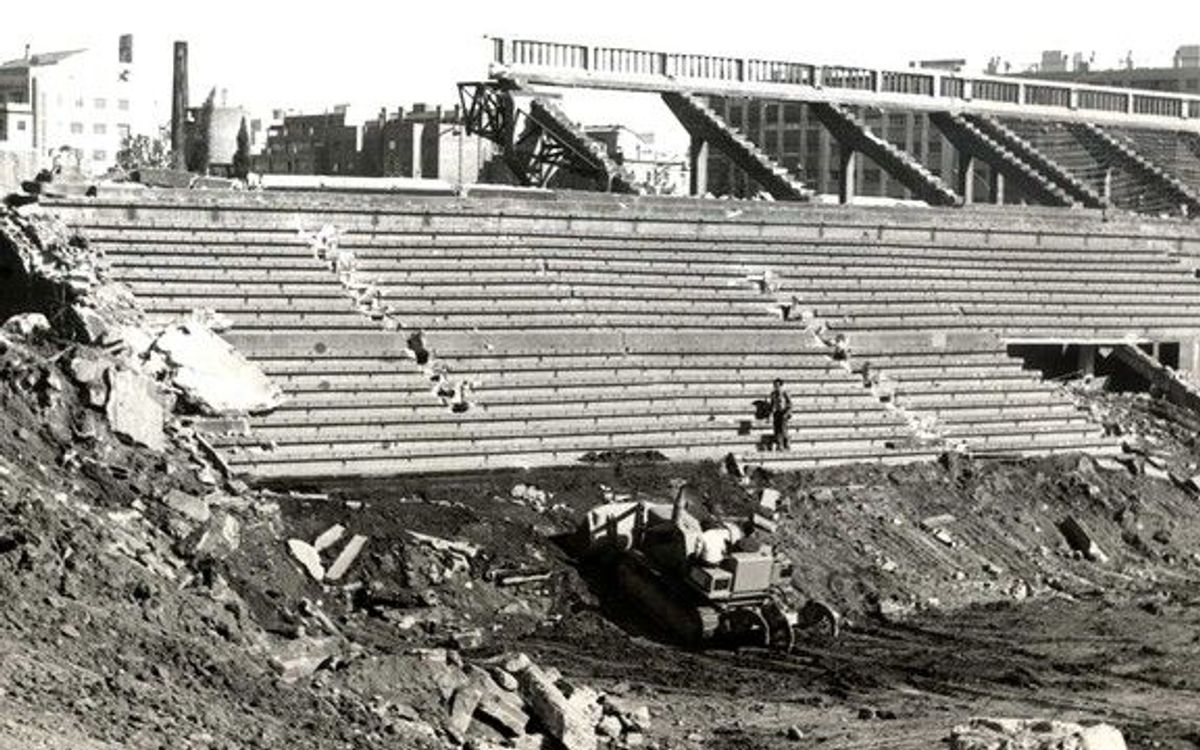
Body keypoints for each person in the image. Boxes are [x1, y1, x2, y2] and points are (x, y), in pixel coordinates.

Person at [768, 378, 792, 451]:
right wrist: (770, 414)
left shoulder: (785, 393)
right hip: (777, 412)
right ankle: (779, 445)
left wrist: (787, 412)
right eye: (775, 385)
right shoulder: (773, 394)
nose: (776, 387)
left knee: (783, 429)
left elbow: (790, 403)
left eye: (777, 385)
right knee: (777, 429)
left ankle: (787, 444)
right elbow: (772, 404)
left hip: (783, 412)